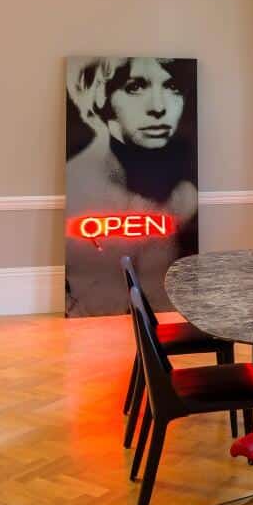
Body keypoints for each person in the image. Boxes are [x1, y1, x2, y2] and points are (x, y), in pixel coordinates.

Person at [65, 56, 198, 317]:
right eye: (135, 87)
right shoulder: (76, 189)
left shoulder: (187, 196)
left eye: (173, 87)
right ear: (97, 96)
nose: (159, 107)